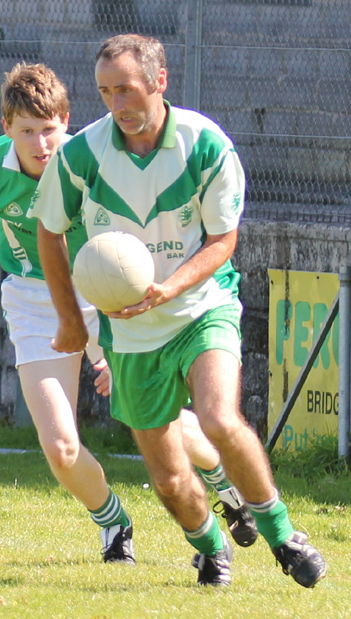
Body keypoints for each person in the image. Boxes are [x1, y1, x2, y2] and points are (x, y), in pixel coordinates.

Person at [0, 61, 254, 566]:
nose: (40, 144)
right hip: (35, 301)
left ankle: (223, 487)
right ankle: (113, 521)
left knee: (156, 415)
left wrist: (116, 331)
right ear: (6, 128)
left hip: (108, 297)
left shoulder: (91, 159)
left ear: (67, 121)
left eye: (50, 130)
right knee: (59, 446)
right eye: (27, 132)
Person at [28, 35, 326, 588]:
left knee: (218, 419)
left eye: (127, 89)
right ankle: (212, 546)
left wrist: (169, 288)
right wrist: (70, 317)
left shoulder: (206, 144)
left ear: (159, 82)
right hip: (130, 333)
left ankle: (283, 534)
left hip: (199, 306)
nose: (117, 103)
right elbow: (49, 232)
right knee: (168, 480)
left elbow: (222, 240)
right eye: (105, 92)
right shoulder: (81, 156)